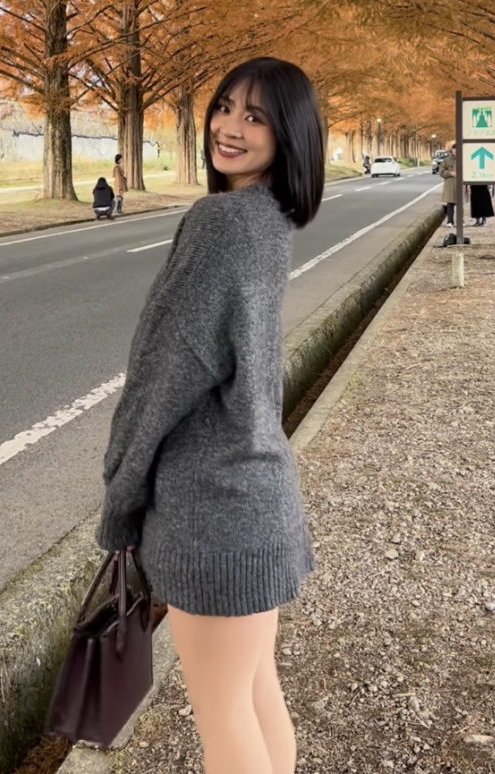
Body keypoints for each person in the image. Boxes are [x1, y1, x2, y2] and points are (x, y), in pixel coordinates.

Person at [95, 57, 324, 774]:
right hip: (259, 500)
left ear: (288, 137)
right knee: (256, 697)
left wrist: (120, 496)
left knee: (223, 720)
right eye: (225, 106)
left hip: (209, 516)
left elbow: (164, 378)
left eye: (256, 117)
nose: (229, 126)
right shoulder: (268, 220)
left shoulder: (221, 222)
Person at [439, 143, 457, 227]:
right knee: (450, 204)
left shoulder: (464, 160)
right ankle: (450, 221)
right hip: (450, 185)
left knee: (460, 204)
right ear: (452, 150)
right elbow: (441, 172)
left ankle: (461, 220)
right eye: (454, 149)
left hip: (460, 185)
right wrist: (450, 173)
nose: (456, 151)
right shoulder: (446, 160)